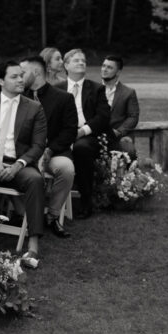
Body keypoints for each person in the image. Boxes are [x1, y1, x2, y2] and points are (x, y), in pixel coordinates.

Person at [0, 61, 47, 268]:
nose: (21, 80)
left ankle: (33, 245)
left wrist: (18, 165)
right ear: (0, 81)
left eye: (21, 76)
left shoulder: (34, 107)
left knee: (35, 180)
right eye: (14, 77)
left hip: (19, 164)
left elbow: (38, 145)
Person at [20, 55, 77, 239]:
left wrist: (49, 149)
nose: (19, 77)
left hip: (54, 152)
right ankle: (22, 214)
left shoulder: (63, 98)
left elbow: (69, 131)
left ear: (36, 72)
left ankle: (52, 216)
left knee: (66, 169)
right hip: (25, 153)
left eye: (23, 73)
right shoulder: (19, 97)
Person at [61, 48, 111, 218]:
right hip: (61, 135)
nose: (81, 62)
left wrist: (82, 132)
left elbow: (103, 117)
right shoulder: (57, 89)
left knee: (81, 149)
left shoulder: (96, 89)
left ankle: (86, 202)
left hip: (87, 135)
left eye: (83, 60)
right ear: (66, 65)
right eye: (76, 60)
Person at [101, 55, 140, 152]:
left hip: (118, 135)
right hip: (95, 134)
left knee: (129, 151)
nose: (104, 69)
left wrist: (118, 131)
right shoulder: (92, 90)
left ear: (118, 72)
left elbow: (133, 116)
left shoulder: (128, 92)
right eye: (103, 66)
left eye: (109, 67)